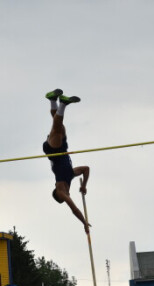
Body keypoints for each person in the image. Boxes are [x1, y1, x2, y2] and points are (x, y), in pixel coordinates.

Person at [43, 88, 90, 234]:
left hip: (53, 151)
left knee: (57, 128)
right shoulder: (70, 175)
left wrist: (84, 223)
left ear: (58, 194)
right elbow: (86, 169)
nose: (68, 195)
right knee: (59, 125)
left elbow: (74, 208)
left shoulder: (61, 190)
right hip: (63, 148)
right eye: (67, 196)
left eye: (65, 197)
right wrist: (84, 186)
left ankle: (62, 103)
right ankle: (53, 100)